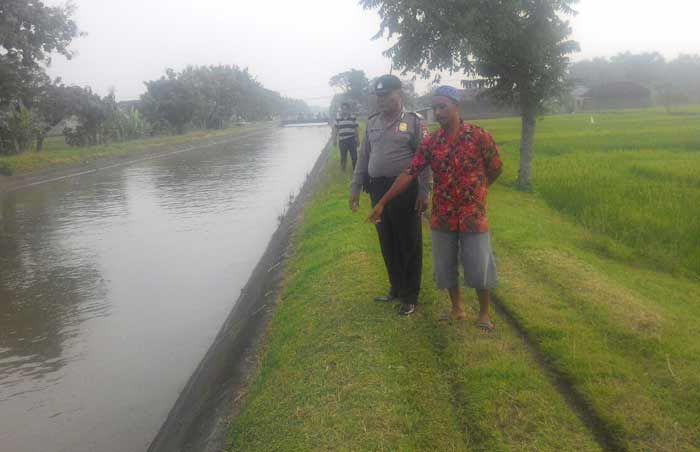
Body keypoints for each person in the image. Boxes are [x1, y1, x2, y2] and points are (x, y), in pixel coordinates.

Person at [367, 85, 502, 331]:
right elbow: (410, 172)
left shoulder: (479, 136)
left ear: (456, 106)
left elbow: (495, 167)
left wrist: (480, 190)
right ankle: (457, 308)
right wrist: (383, 202)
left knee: (479, 264)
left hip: (473, 214)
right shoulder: (432, 143)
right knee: (445, 264)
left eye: (443, 107)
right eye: (435, 107)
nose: (438, 112)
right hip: (443, 215)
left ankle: (484, 314)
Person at [349, 74, 431, 316]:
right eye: (379, 96)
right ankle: (396, 287)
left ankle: (410, 295)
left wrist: (425, 190)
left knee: (409, 242)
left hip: (405, 190)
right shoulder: (372, 123)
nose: (381, 100)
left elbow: (425, 160)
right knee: (387, 240)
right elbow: (363, 158)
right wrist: (355, 187)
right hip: (377, 188)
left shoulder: (415, 122)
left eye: (386, 95)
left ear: (399, 94)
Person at [334, 102, 360, 171]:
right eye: (343, 109)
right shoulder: (338, 118)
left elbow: (356, 129)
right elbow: (335, 129)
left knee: (354, 156)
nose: (344, 110)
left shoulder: (353, 117)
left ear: (348, 109)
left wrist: (358, 139)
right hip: (342, 141)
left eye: (346, 109)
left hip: (352, 140)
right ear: (341, 109)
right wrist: (334, 140)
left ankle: (355, 171)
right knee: (343, 157)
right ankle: (343, 170)